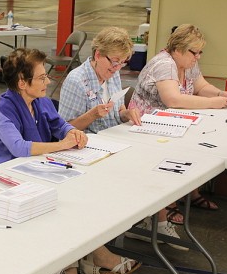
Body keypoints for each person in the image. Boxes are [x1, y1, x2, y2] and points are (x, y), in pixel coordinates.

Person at [0, 48, 141, 274]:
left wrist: (72, 133)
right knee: (63, 207)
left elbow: (60, 124)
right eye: (42, 77)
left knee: (81, 196)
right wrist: (62, 145)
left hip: (34, 169)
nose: (47, 82)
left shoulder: (41, 101)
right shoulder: (5, 107)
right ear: (22, 83)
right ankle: (74, 273)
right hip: (4, 176)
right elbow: (19, 148)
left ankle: (87, 259)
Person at [59, 26, 189, 252]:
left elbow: (117, 108)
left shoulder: (112, 74)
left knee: (154, 164)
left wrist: (126, 113)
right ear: (98, 54)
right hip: (87, 149)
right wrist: (92, 115)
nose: (117, 68)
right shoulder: (77, 80)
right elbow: (64, 129)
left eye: (122, 63)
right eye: (114, 62)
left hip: (112, 140)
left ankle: (153, 221)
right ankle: (128, 227)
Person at [128, 23, 227, 211]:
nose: (198, 57)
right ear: (178, 49)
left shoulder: (188, 63)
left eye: (200, 53)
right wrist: (212, 103)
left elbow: (201, 87)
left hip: (171, 123)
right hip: (146, 125)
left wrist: (220, 94)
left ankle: (190, 193)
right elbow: (173, 100)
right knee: (184, 149)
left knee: (197, 145)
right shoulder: (164, 64)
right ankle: (167, 204)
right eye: (195, 53)